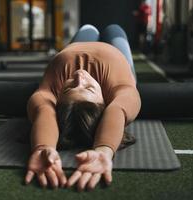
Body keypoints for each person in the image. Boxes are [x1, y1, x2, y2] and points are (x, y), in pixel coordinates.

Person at [25, 24, 141, 191]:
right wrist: (104, 150)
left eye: (69, 87)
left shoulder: (50, 89)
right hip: (117, 52)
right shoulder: (121, 89)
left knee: (90, 28)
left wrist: (43, 147)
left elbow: (44, 110)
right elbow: (117, 110)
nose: (79, 76)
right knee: (114, 29)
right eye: (89, 88)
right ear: (105, 101)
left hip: (76, 45)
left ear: (58, 97)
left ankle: (92, 31)